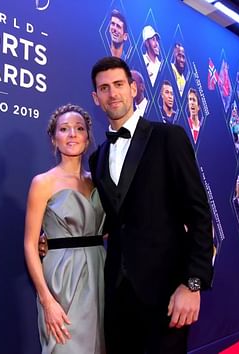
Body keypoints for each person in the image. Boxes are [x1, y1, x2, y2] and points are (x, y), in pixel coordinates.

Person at [89, 56, 213, 353]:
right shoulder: (97, 158)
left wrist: (193, 284)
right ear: (96, 98)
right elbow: (115, 219)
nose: (112, 93)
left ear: (133, 88)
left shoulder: (168, 137)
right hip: (118, 296)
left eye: (119, 84)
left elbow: (198, 214)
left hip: (168, 293)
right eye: (104, 88)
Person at [24, 104, 106, 353]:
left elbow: (106, 228)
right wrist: (46, 300)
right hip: (62, 279)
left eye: (79, 128)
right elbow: (29, 244)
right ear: (54, 139)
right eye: (64, 129)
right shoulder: (43, 183)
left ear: (87, 137)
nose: (72, 134)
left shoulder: (98, 181)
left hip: (100, 271)